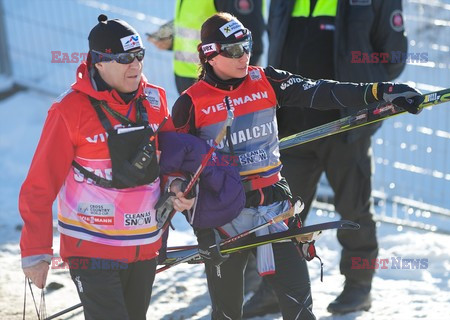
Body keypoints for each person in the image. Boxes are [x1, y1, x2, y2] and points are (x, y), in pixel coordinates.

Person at [171, 12, 421, 320]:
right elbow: (174, 165)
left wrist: (379, 91)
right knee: (226, 313)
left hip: (274, 209)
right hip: (224, 218)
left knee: (301, 309)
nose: (244, 56)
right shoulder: (190, 103)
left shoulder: (265, 79)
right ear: (209, 55)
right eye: (234, 51)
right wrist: (181, 195)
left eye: (247, 45)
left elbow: (321, 91)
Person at [18, 15, 196, 320]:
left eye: (139, 56)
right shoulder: (68, 110)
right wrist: (36, 250)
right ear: (99, 63)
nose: (136, 65)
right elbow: (39, 184)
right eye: (125, 58)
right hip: (91, 251)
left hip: (144, 245)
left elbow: (169, 161)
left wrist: (177, 184)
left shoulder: (155, 99)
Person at [243, 0, 409, 317]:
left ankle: (358, 286)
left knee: (353, 208)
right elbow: (272, 44)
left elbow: (393, 57)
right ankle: (273, 289)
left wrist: (365, 102)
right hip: (292, 126)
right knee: (279, 214)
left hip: (347, 125)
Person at [147, 0, 265, 94]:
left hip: (218, 85)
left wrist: (243, 91)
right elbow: (200, 21)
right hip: (190, 79)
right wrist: (172, 40)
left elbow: (247, 41)